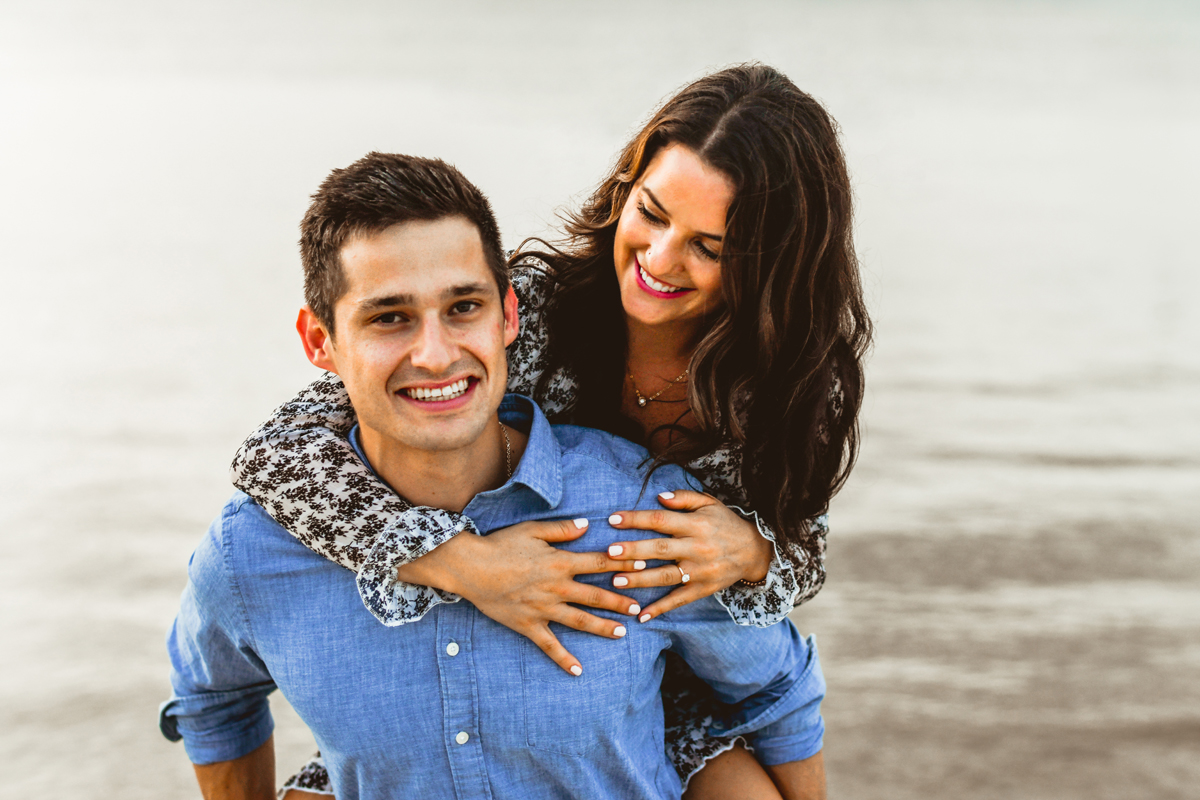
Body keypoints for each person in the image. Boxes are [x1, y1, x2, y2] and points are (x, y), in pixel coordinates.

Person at [234, 63, 870, 797]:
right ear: (625, 188)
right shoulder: (532, 309)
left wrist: (756, 549)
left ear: (774, 265)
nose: (660, 260)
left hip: (676, 687)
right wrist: (459, 563)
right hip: (498, 652)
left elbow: (805, 552)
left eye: (710, 246)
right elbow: (276, 454)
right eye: (653, 214)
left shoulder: (793, 393)